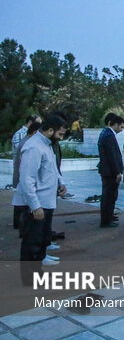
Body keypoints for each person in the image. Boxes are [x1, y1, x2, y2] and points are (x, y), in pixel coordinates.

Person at [14, 116, 68, 279]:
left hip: (46, 202)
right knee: (32, 242)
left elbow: (52, 168)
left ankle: (38, 272)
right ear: (50, 130)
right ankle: (29, 277)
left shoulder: (47, 145)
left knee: (42, 240)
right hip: (36, 204)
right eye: (59, 134)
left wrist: (61, 183)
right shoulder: (34, 147)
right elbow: (27, 179)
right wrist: (35, 206)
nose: (61, 138)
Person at [12, 122, 41, 235]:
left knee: (22, 206)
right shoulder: (28, 144)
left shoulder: (26, 142)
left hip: (21, 178)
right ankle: (23, 231)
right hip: (23, 179)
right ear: (34, 132)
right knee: (24, 207)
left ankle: (21, 228)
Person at [98, 114, 124, 227]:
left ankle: (108, 217)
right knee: (109, 196)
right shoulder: (109, 135)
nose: (121, 129)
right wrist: (117, 172)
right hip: (110, 172)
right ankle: (106, 220)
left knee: (109, 196)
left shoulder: (105, 133)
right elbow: (112, 156)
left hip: (107, 171)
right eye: (120, 127)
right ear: (114, 124)